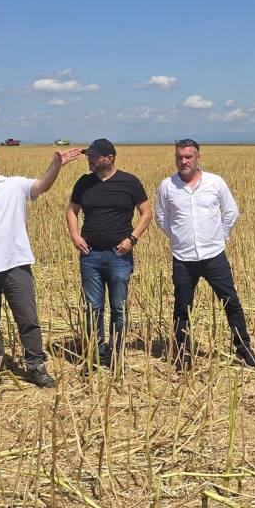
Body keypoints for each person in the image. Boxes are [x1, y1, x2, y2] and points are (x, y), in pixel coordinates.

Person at [0, 142, 82, 391]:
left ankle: (36, 366)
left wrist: (56, 165)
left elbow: (41, 186)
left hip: (15, 264)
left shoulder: (12, 184)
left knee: (28, 319)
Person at [154, 138, 255, 370]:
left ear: (198, 157)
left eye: (188, 157)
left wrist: (221, 236)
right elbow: (161, 217)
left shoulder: (215, 182)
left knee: (231, 302)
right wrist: (176, 237)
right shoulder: (167, 186)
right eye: (179, 157)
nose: (183, 161)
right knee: (182, 308)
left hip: (214, 256)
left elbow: (231, 211)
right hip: (183, 258)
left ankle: (244, 349)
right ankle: (182, 353)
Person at [65, 138, 153, 367]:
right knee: (93, 307)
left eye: (94, 156)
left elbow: (146, 213)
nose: (89, 159)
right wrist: (75, 235)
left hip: (119, 256)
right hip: (90, 255)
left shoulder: (129, 182)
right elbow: (72, 211)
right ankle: (94, 353)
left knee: (118, 308)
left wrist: (132, 239)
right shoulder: (84, 182)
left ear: (109, 158)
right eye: (88, 155)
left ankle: (115, 352)